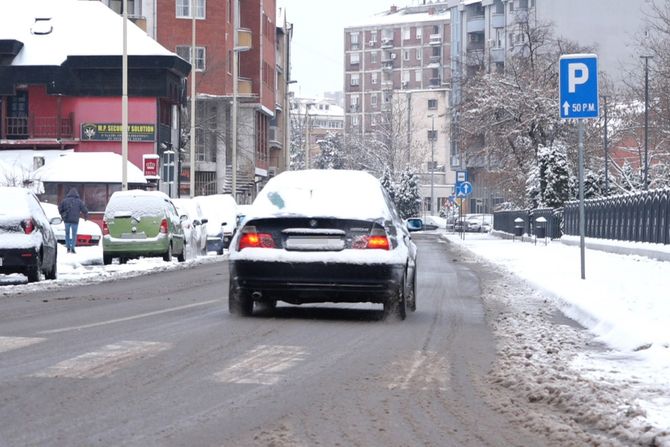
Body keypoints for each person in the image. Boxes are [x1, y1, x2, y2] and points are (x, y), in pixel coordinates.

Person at [59, 187, 89, 254]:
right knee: (74, 235)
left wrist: (62, 214)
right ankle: (72, 248)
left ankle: (68, 247)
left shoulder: (64, 201)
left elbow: (60, 208)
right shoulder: (79, 201)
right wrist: (86, 216)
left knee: (67, 234)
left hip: (66, 220)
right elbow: (84, 209)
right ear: (76, 194)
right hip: (75, 221)